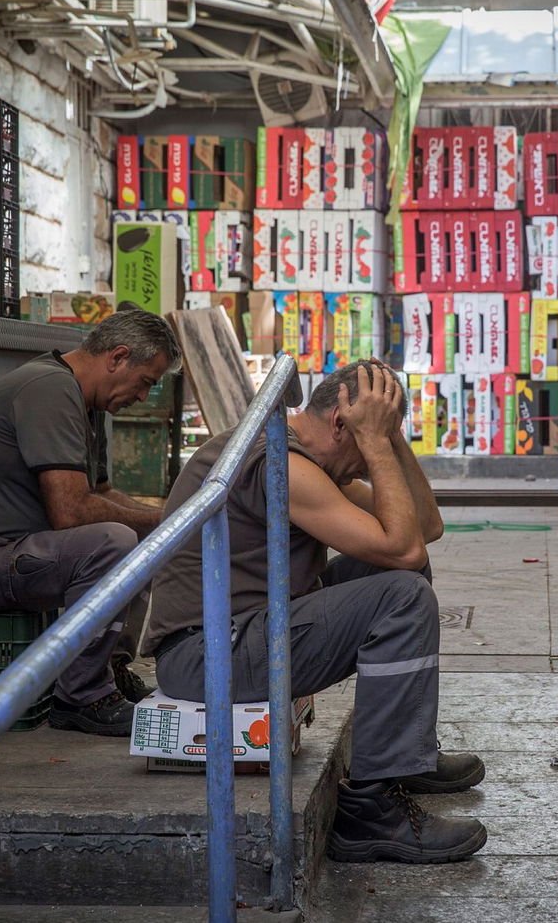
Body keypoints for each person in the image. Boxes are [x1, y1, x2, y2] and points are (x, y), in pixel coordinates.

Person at [143, 360, 488, 864]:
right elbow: (403, 549)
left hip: (248, 630)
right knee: (402, 592)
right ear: (340, 425)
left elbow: (425, 529)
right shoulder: (282, 462)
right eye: (369, 440)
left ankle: (402, 757)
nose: (368, 464)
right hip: (208, 654)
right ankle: (368, 811)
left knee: (399, 574)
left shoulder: (311, 454)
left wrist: (386, 438)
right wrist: (372, 441)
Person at [0, 309, 181, 737]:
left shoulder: (87, 403)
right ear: (118, 357)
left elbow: (100, 495)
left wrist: (172, 519)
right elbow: (72, 511)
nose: (143, 397)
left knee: (144, 537)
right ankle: (81, 696)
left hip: (17, 554)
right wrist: (159, 519)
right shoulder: (50, 389)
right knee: (116, 540)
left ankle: (111, 671)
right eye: (146, 382)